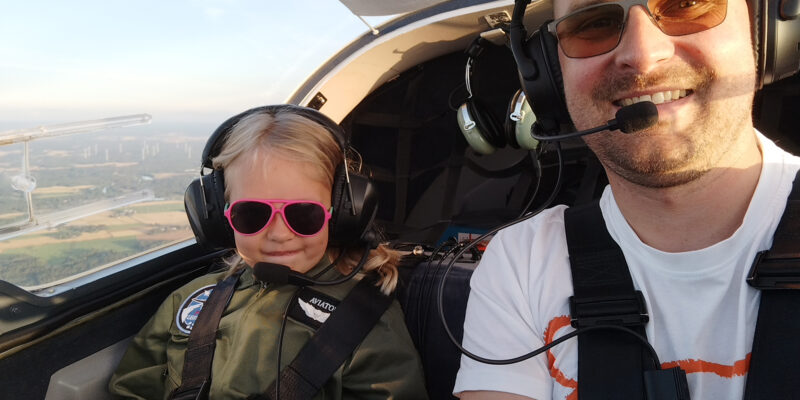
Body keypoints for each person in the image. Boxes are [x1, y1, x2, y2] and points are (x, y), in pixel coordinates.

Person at [455, 0, 800, 399]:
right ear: (550, 71)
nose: (642, 55)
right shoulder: (523, 262)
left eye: (686, 5)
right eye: (595, 22)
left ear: (765, 30)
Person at [109, 105, 428, 399]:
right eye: (252, 214)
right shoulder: (191, 300)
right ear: (219, 216)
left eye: (304, 214)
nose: (279, 234)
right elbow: (132, 389)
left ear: (342, 213)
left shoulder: (365, 320)